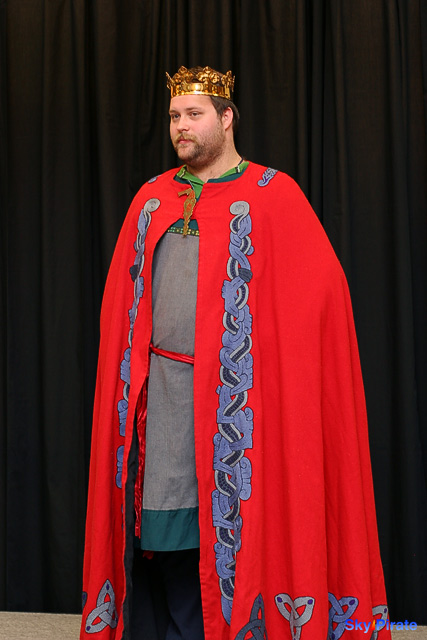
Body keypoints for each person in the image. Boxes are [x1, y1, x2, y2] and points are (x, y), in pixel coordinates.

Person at [80, 66, 391, 640]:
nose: (181, 126)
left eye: (194, 114)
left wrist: (274, 372)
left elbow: (321, 304)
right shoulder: (151, 200)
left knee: (228, 536)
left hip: (236, 410)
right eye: (174, 116)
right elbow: (121, 309)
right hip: (163, 403)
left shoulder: (275, 196)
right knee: (163, 538)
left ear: (226, 119)